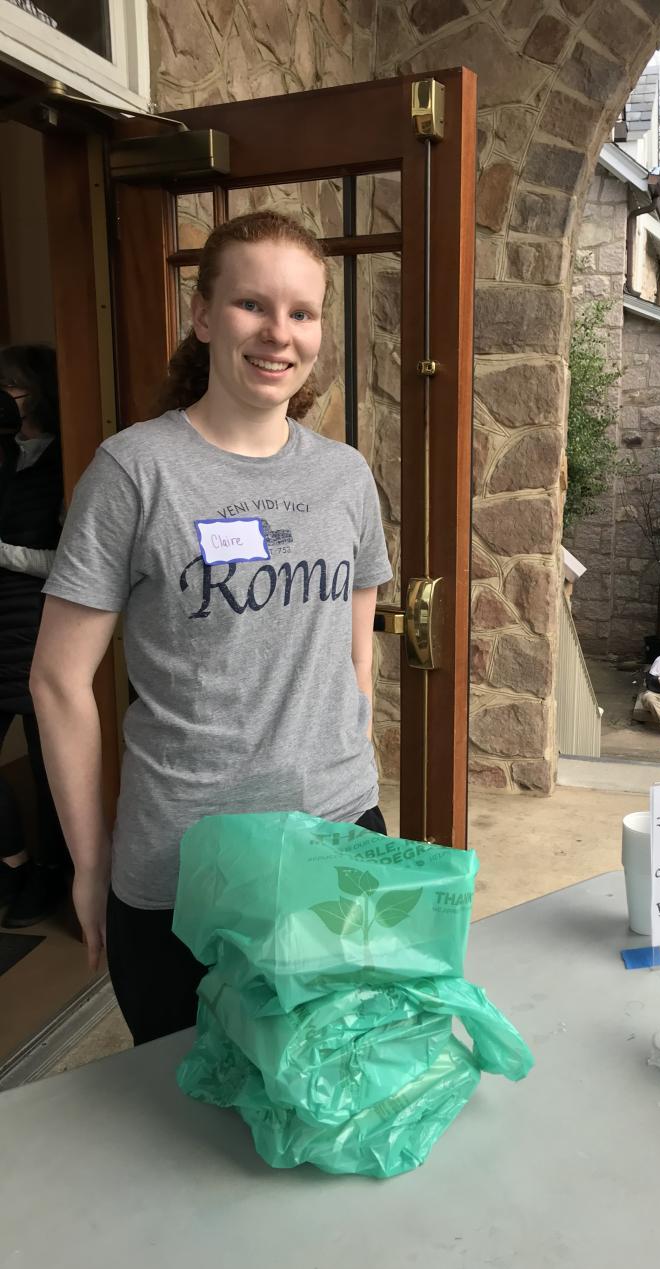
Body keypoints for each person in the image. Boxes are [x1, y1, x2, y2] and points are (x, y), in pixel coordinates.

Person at [30, 211, 393, 1045]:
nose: (278, 333)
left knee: (336, 1076)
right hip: (184, 864)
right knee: (184, 1105)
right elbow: (56, 680)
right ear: (202, 316)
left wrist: (348, 775)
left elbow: (356, 648)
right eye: (251, 305)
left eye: (302, 312)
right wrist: (90, 861)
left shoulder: (345, 477)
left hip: (338, 840)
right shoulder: (135, 471)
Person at [0, 345, 70, 928]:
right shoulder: (5, 454)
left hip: (37, 627)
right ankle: (14, 863)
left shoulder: (67, 461)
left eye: (13, 386)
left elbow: (71, 563)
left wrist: (3, 553)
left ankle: (51, 874)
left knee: (52, 767)